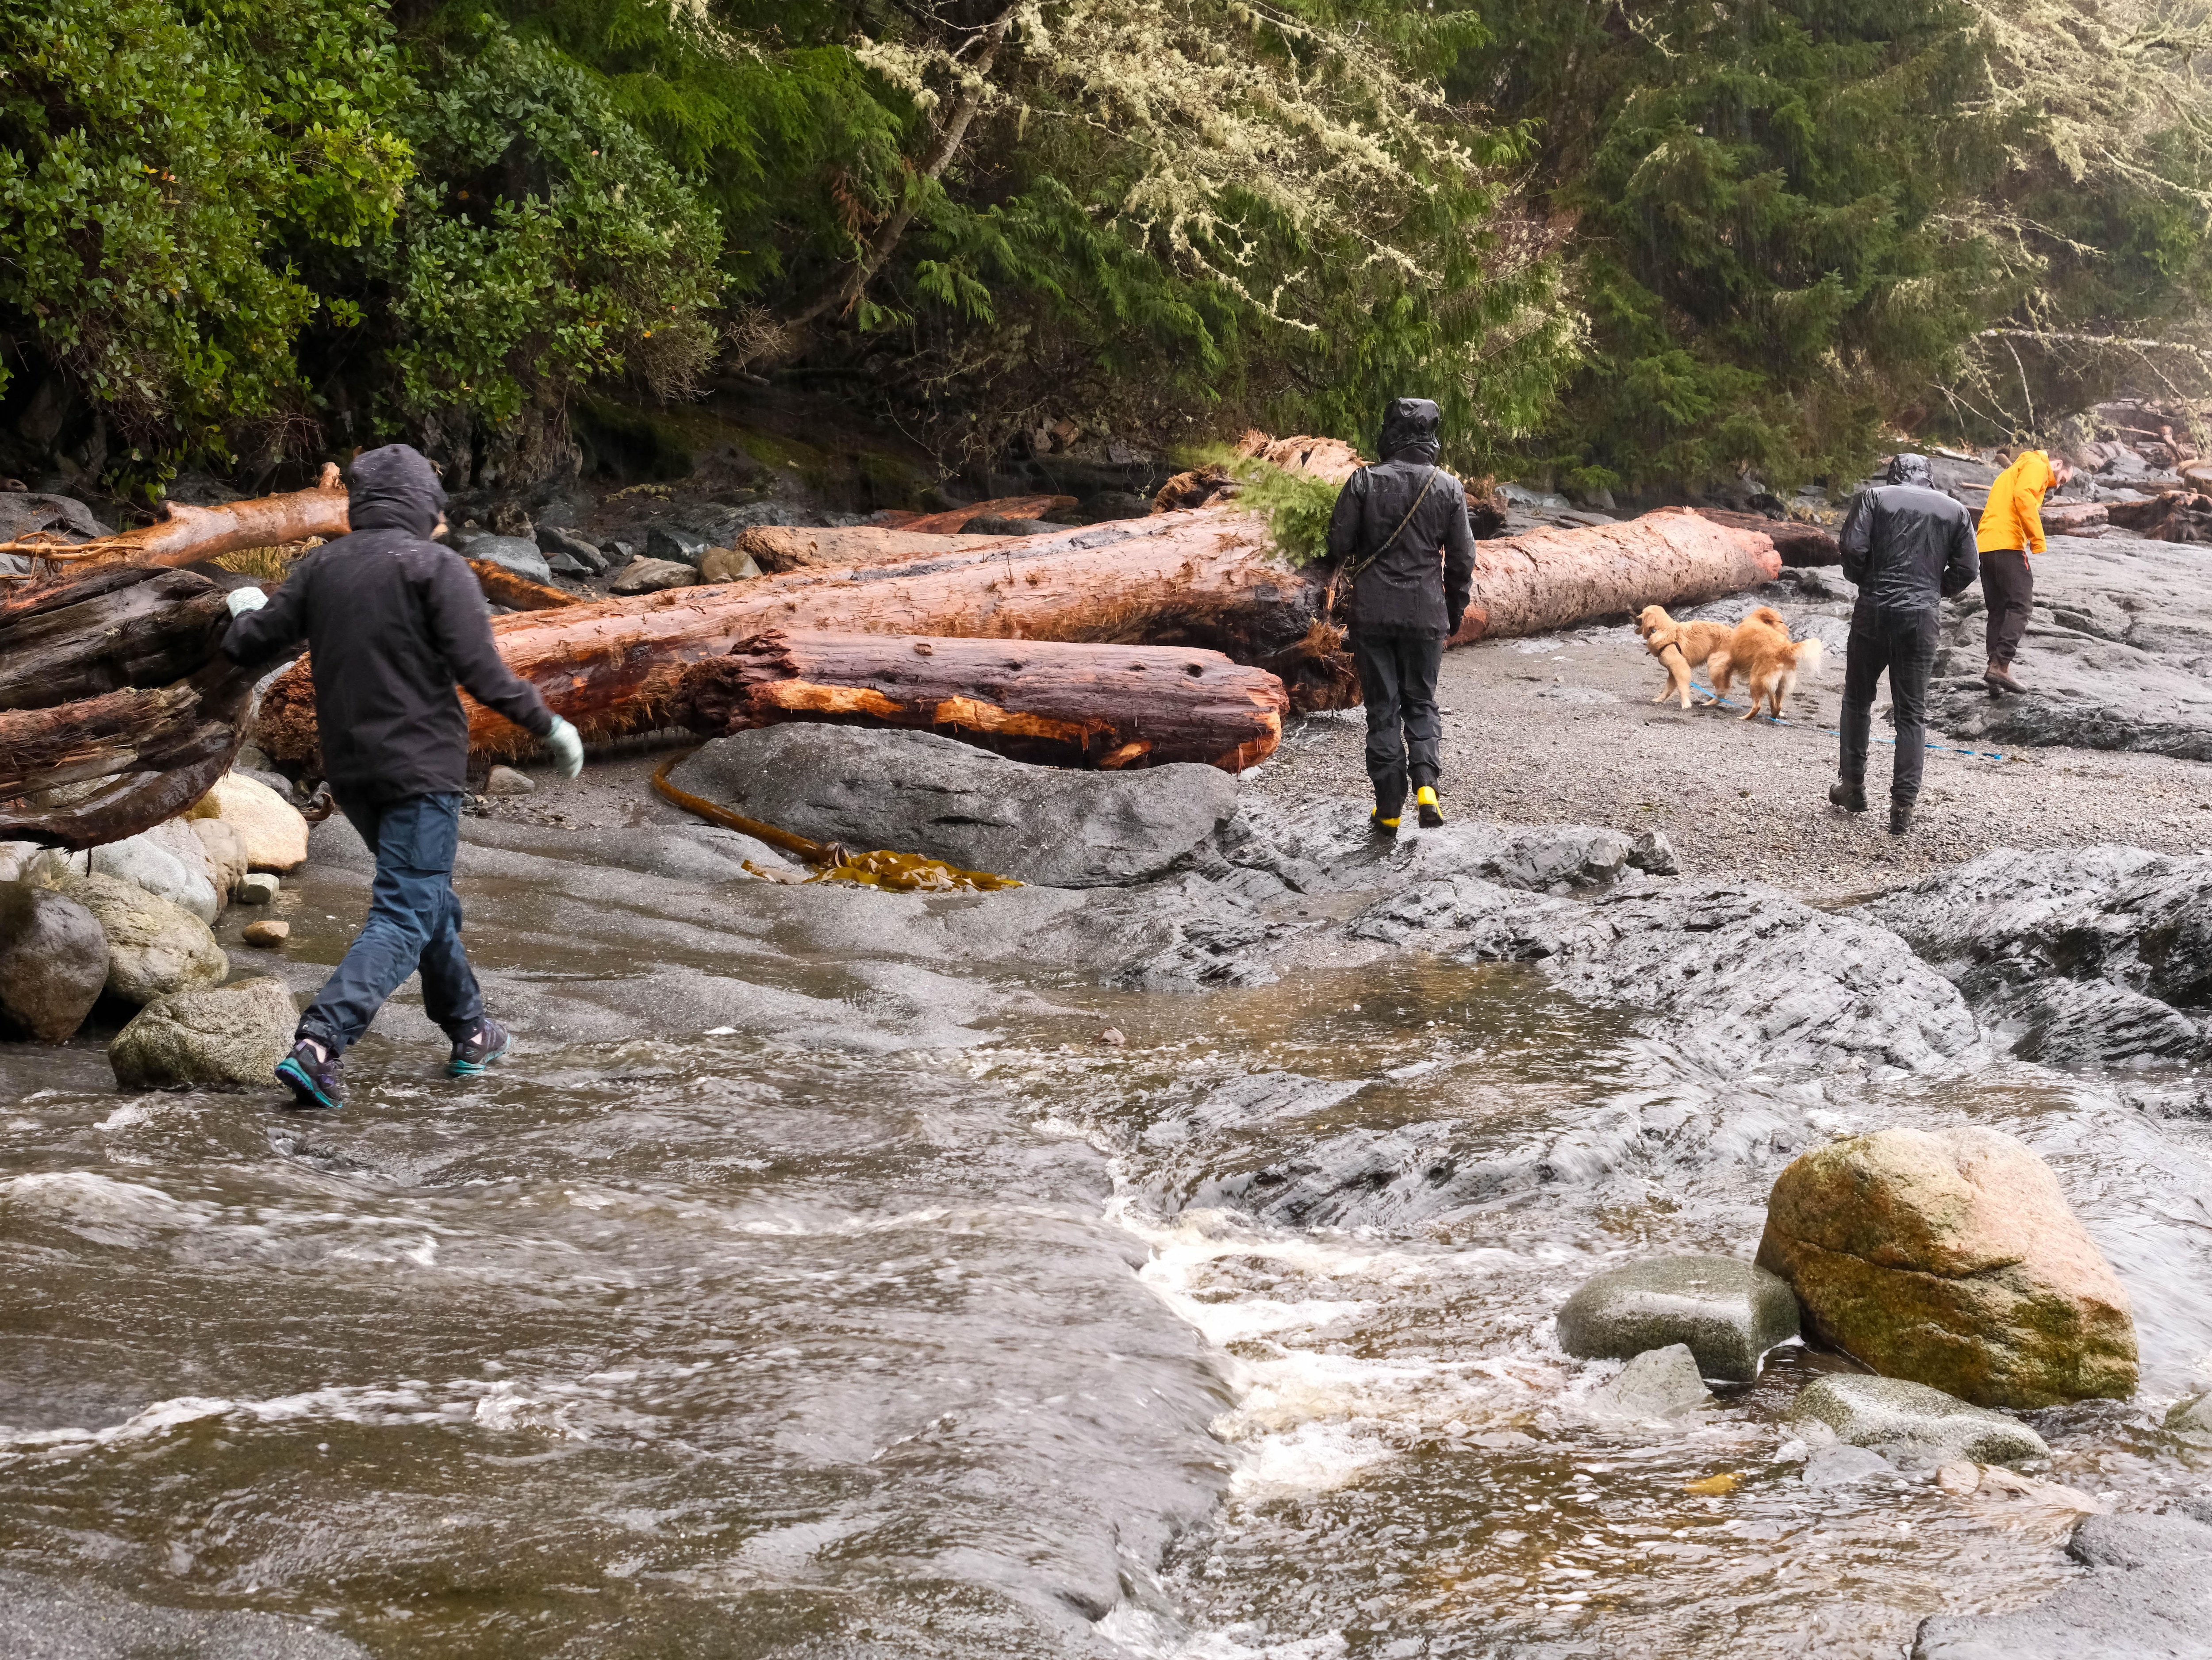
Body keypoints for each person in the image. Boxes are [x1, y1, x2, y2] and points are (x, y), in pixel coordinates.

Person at [221, 444, 585, 1109]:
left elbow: (252, 642)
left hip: (353, 775)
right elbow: (484, 671)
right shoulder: (436, 568)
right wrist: (550, 724)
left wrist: (244, 603)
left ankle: (470, 1029)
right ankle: (321, 1043)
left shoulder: (322, 565)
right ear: (424, 506)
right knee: (406, 908)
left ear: (362, 505)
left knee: (427, 903)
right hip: (422, 773)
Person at [1323, 397, 1477, 836]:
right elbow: (1462, 560)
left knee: (1382, 709)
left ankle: (1389, 807)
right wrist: (1452, 610)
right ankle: (1426, 786)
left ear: (1389, 431)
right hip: (1426, 612)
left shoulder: (1363, 481)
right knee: (1421, 702)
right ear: (1431, 435)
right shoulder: (1448, 488)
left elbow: (1338, 546)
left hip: (1372, 613)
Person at [1832, 453, 1979, 836]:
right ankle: (1902, 807)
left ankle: (1853, 786)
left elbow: (1851, 550)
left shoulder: (1874, 498)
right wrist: (1934, 590)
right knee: (1912, 713)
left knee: (1857, 698)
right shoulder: (1956, 510)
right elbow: (1968, 569)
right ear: (1928, 477)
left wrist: (1866, 580)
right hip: (1921, 618)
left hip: (1874, 610)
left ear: (1893, 474)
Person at [1975, 447, 2074, 694]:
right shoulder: (2037, 465)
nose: (2058, 486)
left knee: (1998, 609)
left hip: (1986, 545)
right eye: (2061, 480)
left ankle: (1993, 672)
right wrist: (2037, 539)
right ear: (2058, 464)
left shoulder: (2016, 468)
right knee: (2021, 605)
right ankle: (2001, 666)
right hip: (2007, 544)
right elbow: (2024, 497)